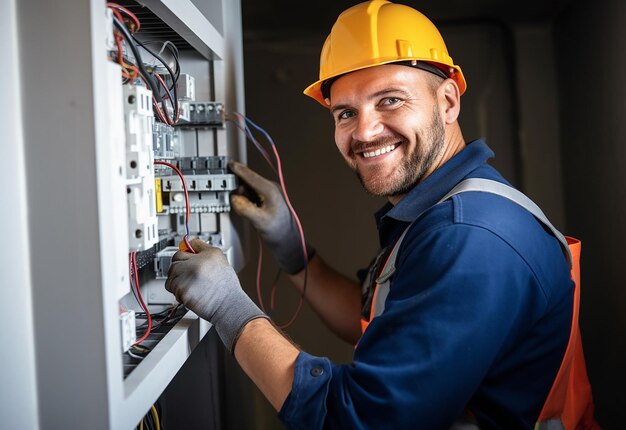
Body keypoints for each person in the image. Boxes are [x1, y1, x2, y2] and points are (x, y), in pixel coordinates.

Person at [165, 1, 575, 428]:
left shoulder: (469, 236)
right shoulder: (445, 209)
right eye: (346, 113)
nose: (364, 131)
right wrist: (294, 250)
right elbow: (375, 318)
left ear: (448, 101)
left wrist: (229, 309)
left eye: (390, 100)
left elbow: (358, 420)